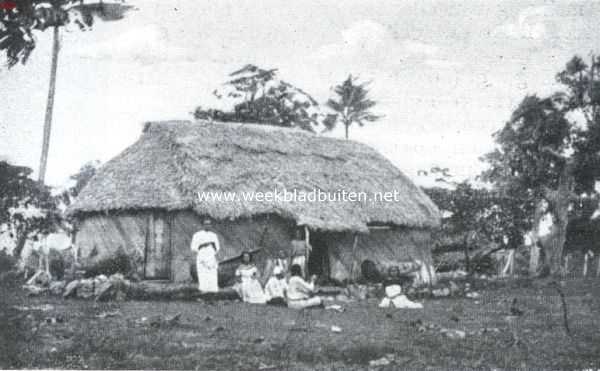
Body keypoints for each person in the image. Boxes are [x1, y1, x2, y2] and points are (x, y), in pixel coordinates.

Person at [190, 219, 220, 293]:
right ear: (202, 225)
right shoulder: (197, 235)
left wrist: (212, 247)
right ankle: (203, 290)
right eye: (206, 224)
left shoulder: (214, 235)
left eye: (209, 224)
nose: (207, 225)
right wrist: (202, 245)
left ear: (211, 225)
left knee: (212, 273)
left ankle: (212, 291)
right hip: (202, 256)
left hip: (210, 256)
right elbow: (193, 247)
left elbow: (217, 247)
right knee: (203, 273)